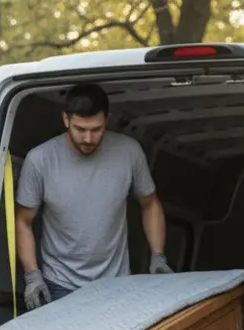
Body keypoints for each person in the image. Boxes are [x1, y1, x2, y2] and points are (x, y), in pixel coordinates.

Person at [14, 82, 171, 309]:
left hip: (116, 283)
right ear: (66, 119)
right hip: (60, 284)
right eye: (80, 129)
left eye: (96, 129)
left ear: (107, 119)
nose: (88, 138)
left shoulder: (129, 152)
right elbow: (23, 221)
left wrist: (158, 257)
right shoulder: (40, 160)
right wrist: (32, 275)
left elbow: (150, 204)